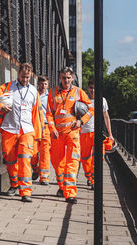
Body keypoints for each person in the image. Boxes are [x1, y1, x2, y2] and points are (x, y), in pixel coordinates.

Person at [0, 63, 44, 202]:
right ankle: (14, 184)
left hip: (27, 130)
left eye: (28, 77)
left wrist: (38, 135)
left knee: (25, 159)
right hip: (9, 128)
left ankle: (26, 192)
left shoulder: (33, 92)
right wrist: (0, 106)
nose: (25, 80)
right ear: (18, 74)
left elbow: (37, 114)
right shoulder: (7, 87)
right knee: (10, 160)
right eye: (23, 77)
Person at [46, 67, 94, 204]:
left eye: (68, 78)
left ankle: (70, 193)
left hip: (73, 132)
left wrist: (81, 121)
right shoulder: (53, 92)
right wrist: (51, 127)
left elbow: (91, 109)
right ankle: (62, 186)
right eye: (63, 77)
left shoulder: (79, 92)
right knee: (56, 162)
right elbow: (49, 113)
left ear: (72, 78)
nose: (66, 80)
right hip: (57, 134)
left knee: (72, 162)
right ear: (60, 78)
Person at [80, 79, 114, 189]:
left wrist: (110, 134)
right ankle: (89, 176)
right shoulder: (83, 100)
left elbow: (106, 117)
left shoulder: (102, 100)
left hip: (97, 133)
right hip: (84, 132)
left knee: (98, 157)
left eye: (95, 88)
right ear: (88, 88)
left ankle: (94, 180)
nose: (93, 90)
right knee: (84, 159)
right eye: (91, 87)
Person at [31, 76, 51, 186]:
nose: (43, 86)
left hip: (46, 127)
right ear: (38, 84)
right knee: (33, 153)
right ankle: (35, 169)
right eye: (41, 84)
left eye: (45, 84)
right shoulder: (33, 94)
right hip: (34, 126)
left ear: (48, 85)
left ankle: (44, 177)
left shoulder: (50, 97)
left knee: (45, 153)